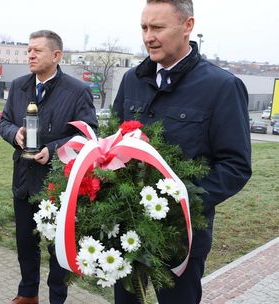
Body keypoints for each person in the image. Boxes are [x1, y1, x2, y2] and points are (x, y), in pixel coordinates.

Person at [112, 1, 252, 303]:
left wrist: (179, 202)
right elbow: (113, 142)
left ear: (188, 26)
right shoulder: (132, 80)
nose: (148, 36)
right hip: (128, 226)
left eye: (158, 27)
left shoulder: (222, 86)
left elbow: (235, 166)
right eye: (144, 27)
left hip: (181, 239)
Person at [0, 30, 97, 304]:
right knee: (26, 244)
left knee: (58, 251)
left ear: (56, 55)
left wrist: (52, 151)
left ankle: (57, 298)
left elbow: (88, 134)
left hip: (57, 187)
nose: (30, 55)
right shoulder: (18, 85)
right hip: (23, 181)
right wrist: (13, 134)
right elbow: (5, 121)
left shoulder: (78, 92)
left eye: (37, 50)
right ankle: (28, 293)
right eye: (28, 50)